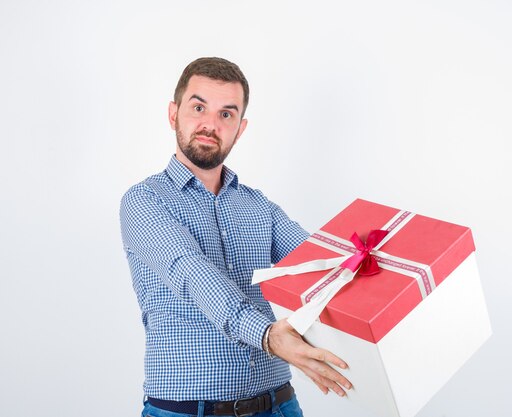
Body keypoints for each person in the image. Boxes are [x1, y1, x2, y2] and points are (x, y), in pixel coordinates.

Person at [120, 57, 351, 417]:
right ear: (173, 114)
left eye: (226, 114)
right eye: (199, 108)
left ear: (240, 128)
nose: (210, 124)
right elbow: (193, 273)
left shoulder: (259, 206)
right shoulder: (144, 201)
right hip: (186, 411)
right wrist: (269, 336)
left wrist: (372, 261)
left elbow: (320, 262)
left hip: (279, 404)